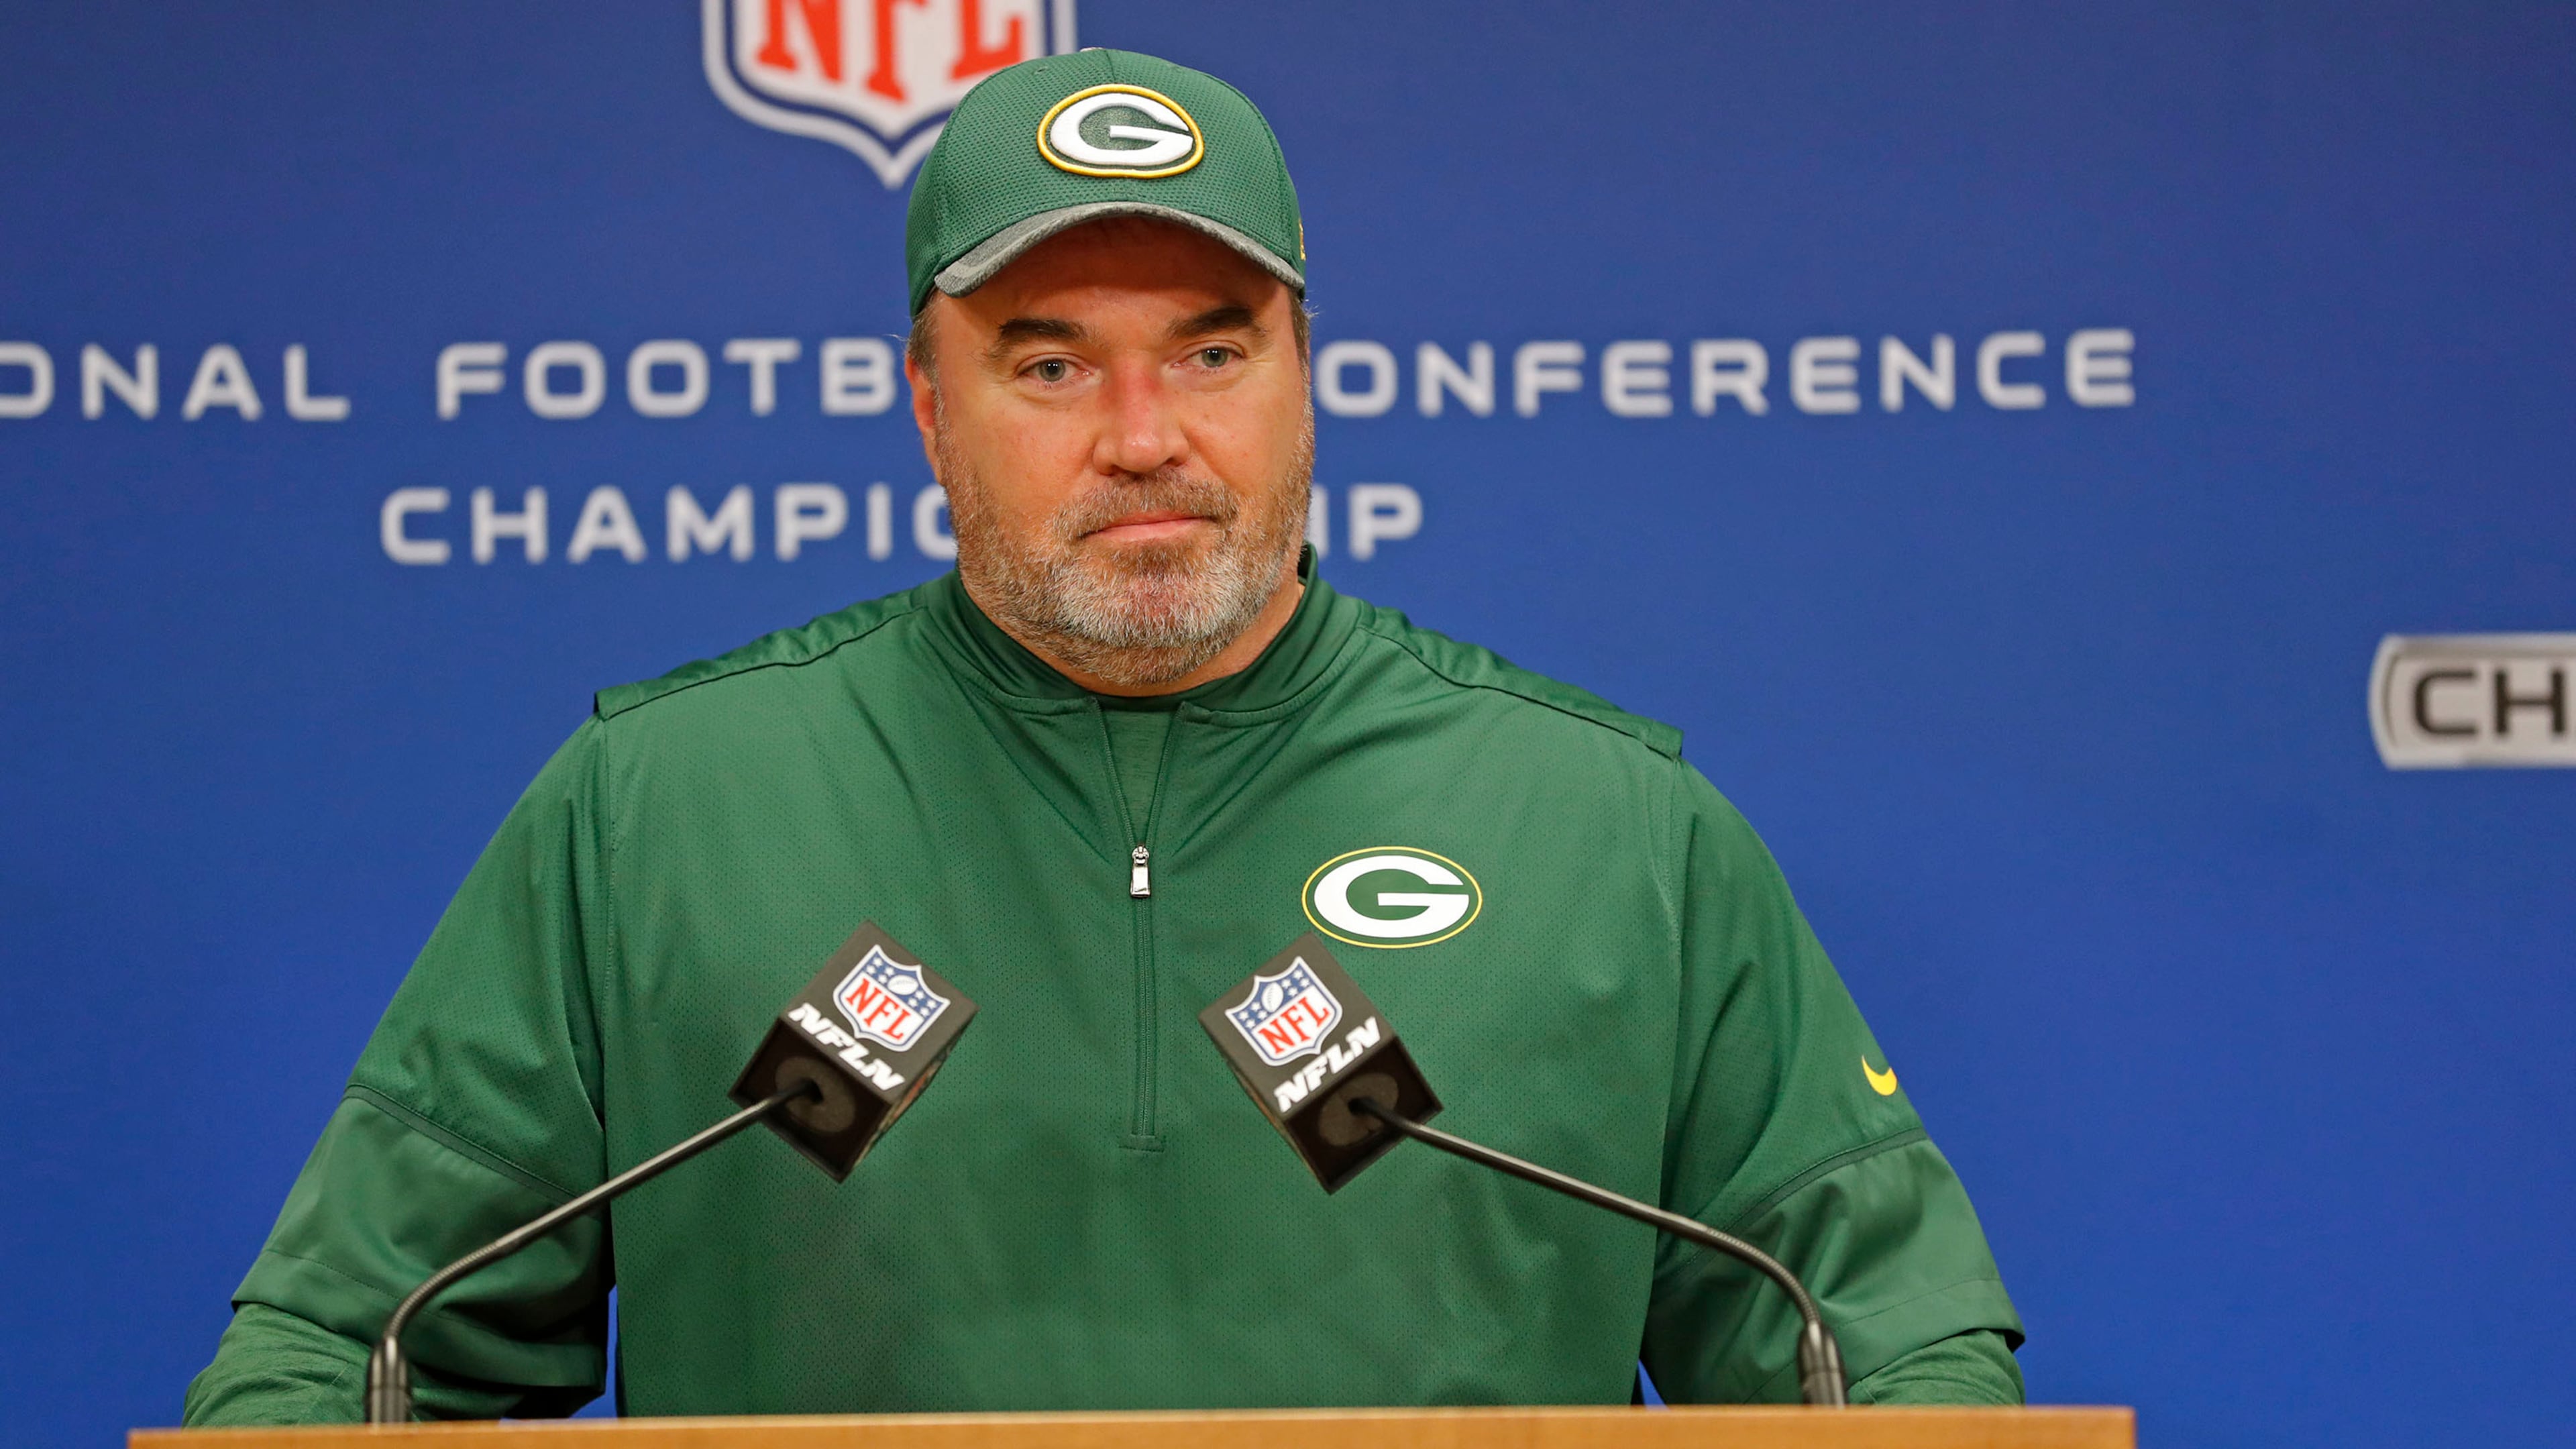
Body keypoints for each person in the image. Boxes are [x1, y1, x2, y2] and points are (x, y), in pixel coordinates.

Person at [185, 49, 2023, 1423]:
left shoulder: (1608, 822)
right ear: (928, 404)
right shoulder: (659, 807)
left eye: (1212, 353)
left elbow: (1879, 1345)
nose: (1143, 434)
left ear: (1311, 371)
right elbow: (352, 1351)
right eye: (1050, 364)